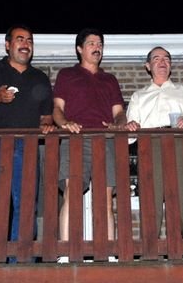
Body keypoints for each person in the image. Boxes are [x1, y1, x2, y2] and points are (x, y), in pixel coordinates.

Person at [0, 25, 55, 261]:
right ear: (7, 45)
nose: (25, 44)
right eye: (20, 39)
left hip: (27, 147)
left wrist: (47, 125)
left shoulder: (39, 78)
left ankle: (20, 261)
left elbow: (46, 116)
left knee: (25, 204)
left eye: (29, 40)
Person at [53, 28, 137, 262]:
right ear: (80, 49)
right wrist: (65, 123)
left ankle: (108, 253)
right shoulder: (67, 75)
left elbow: (119, 113)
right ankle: (66, 252)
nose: (97, 47)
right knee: (72, 193)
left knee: (105, 197)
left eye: (100, 43)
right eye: (91, 43)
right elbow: (57, 109)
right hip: (76, 138)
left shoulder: (109, 80)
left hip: (105, 140)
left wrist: (118, 124)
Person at [126, 46, 183, 238]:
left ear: (170, 65)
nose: (162, 62)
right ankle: (150, 249)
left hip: (180, 143)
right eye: (156, 58)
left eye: (166, 58)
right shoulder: (139, 96)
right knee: (151, 198)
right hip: (150, 145)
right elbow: (130, 137)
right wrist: (131, 127)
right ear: (148, 66)